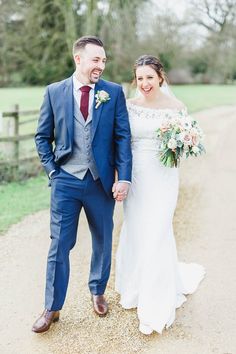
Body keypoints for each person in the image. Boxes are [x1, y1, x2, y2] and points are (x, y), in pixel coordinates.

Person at [32, 36, 132, 333]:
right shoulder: (54, 92)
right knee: (59, 244)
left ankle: (97, 291)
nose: (100, 65)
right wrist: (52, 171)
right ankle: (52, 307)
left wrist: (123, 176)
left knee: (102, 238)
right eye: (95, 59)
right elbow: (41, 136)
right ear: (79, 59)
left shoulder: (113, 93)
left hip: (100, 181)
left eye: (103, 60)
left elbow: (122, 137)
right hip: (65, 180)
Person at [115, 55, 205, 335]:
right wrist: (121, 176)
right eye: (139, 78)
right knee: (138, 230)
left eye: (149, 78)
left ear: (160, 78)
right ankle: (135, 287)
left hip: (164, 178)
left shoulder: (177, 108)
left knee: (158, 231)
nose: (144, 83)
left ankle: (155, 302)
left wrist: (182, 144)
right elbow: (121, 144)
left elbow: (187, 144)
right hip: (137, 178)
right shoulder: (129, 107)